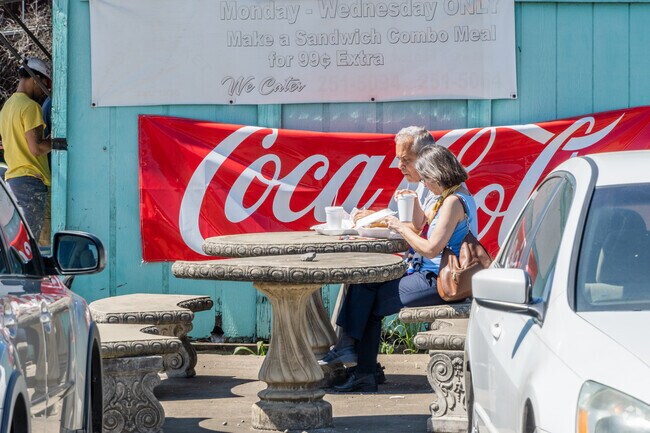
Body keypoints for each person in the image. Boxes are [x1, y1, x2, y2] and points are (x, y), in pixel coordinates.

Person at [327, 145, 478, 392]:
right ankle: (354, 353)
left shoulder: (452, 202)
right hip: (429, 272)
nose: (425, 184)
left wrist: (400, 227)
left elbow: (430, 248)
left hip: (439, 279)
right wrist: (416, 202)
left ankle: (362, 368)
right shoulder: (452, 195)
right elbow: (424, 223)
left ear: (439, 173)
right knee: (365, 280)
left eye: (427, 178)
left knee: (372, 305)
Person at [0, 57, 52, 241]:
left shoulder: (7, 107)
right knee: (31, 245)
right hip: (31, 183)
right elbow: (36, 148)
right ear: (34, 78)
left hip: (13, 182)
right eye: (44, 84)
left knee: (18, 242)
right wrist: (59, 142)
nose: (44, 91)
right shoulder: (31, 107)